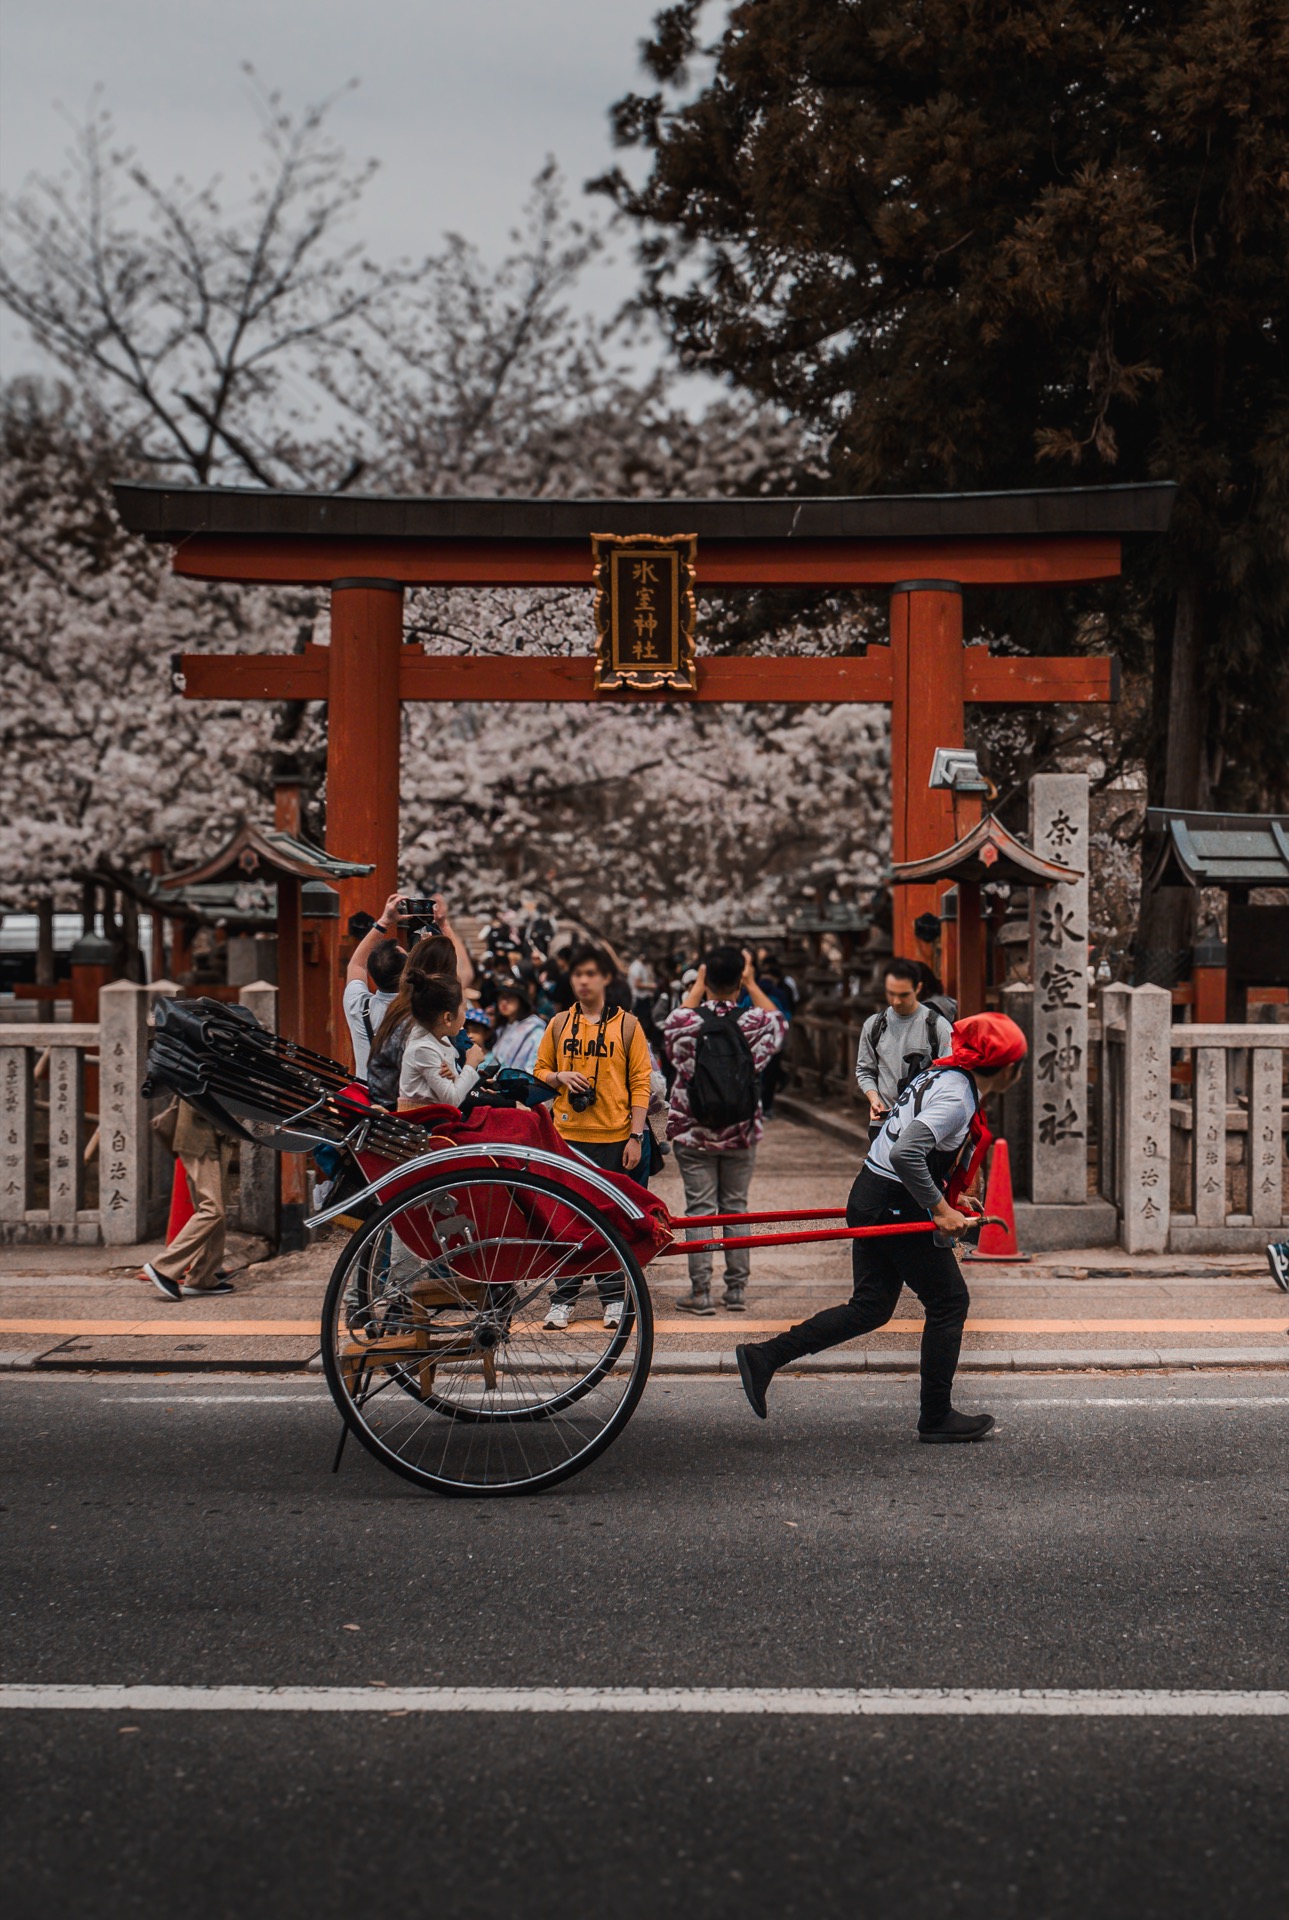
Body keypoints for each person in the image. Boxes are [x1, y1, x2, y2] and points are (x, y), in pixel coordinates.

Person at [735, 1012, 1028, 1443]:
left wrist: (950, 1196)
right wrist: (940, 1209)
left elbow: (911, 1149)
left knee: (871, 1306)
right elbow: (906, 1154)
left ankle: (765, 1356)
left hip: (873, 1192)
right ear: (1008, 1069)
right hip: (893, 1199)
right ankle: (936, 1416)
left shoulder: (948, 1075)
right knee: (949, 1301)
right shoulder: (958, 1097)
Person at [533, 943, 654, 1330]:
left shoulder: (628, 1026)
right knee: (566, 1220)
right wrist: (558, 1077)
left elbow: (641, 1082)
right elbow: (538, 1071)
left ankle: (614, 1297)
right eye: (577, 974)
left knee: (611, 1220)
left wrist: (636, 1136)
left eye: (590, 973)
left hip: (614, 1137)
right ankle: (563, 1297)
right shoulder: (558, 1024)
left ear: (605, 978)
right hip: (567, 1135)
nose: (583, 981)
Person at [663, 946, 787, 1314]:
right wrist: (751, 982)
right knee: (736, 1208)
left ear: (705, 977)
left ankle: (700, 1293)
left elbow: (674, 1020)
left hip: (693, 1130)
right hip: (740, 1129)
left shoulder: (685, 1023)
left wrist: (699, 984)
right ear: (740, 979)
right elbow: (780, 1021)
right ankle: (736, 1291)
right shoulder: (756, 1023)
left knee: (699, 1210)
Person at [366, 910, 474, 1107]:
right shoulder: (420, 1022)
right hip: (404, 1116)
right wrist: (471, 1068)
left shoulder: (407, 1009)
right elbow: (452, 1098)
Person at [138, 1100, 234, 1301]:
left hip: (204, 1138)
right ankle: (163, 1267)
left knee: (215, 1210)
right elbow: (196, 1099)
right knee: (212, 1209)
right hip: (200, 1139)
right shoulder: (205, 1067)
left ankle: (202, 1278)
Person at [855, 957, 954, 1130]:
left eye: (903, 995)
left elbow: (951, 1078)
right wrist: (873, 1098)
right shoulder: (874, 1025)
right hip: (883, 1122)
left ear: (918, 988)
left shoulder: (938, 1027)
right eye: (891, 994)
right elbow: (864, 1070)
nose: (896, 1001)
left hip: (922, 1126)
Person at [398, 971, 488, 1109]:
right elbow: (453, 1101)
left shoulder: (440, 1038)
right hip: (423, 1121)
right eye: (464, 1009)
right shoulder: (422, 1048)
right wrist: (471, 1064)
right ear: (448, 1018)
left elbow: (453, 1091)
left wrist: (454, 1077)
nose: (466, 1016)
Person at [342, 891, 407, 1078]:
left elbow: (356, 964)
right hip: (411, 1102)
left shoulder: (358, 1006)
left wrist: (384, 921)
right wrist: (443, 925)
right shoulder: (420, 1010)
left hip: (369, 1099)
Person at [491, 976, 547, 1073]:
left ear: (521, 1001)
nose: (504, 1002)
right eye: (501, 997)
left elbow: (533, 1069)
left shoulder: (534, 1031)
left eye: (509, 997)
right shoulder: (502, 1028)